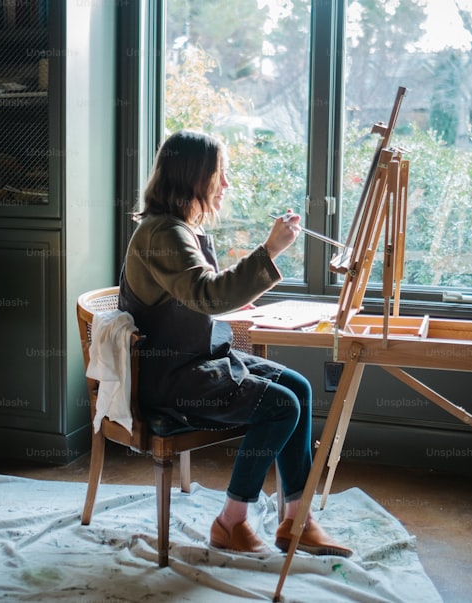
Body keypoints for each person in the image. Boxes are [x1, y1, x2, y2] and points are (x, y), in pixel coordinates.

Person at [118, 129, 352, 557]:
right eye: (219, 174)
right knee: (283, 406)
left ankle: (296, 520)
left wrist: (246, 284)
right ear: (193, 177)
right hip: (171, 379)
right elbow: (209, 294)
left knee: (298, 388)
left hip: (193, 363)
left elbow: (200, 298)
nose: (225, 184)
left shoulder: (176, 229)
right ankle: (231, 521)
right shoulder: (163, 235)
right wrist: (270, 251)